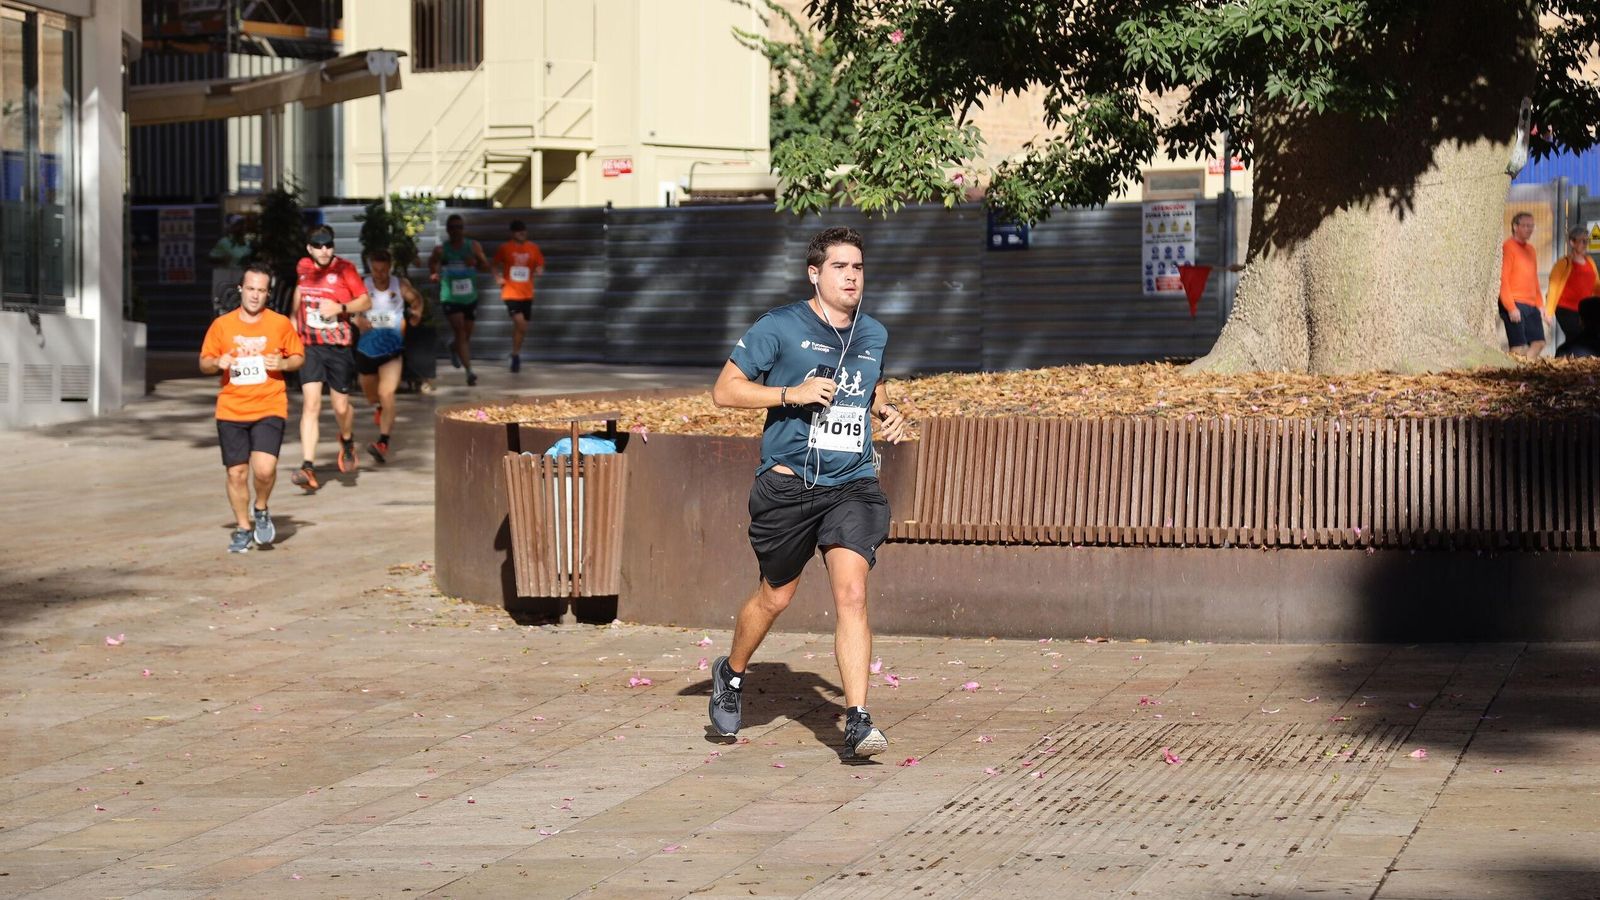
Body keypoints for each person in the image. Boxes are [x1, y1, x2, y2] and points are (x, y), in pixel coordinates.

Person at [707, 226, 910, 759]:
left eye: (858, 267)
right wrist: (788, 394)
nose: (852, 276)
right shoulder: (780, 327)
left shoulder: (873, 334)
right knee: (776, 595)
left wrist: (884, 411)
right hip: (788, 487)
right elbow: (724, 391)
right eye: (840, 267)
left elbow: (870, 386)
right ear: (815, 274)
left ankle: (858, 720)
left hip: (852, 484)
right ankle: (731, 672)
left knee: (852, 593)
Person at [199, 263, 304, 553]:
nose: (255, 295)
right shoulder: (222, 325)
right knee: (236, 473)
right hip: (231, 409)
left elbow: (297, 357)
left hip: (270, 403)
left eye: (261, 290)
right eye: (251, 289)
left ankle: (261, 507)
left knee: (265, 469)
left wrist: (282, 364)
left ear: (267, 293)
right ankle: (243, 527)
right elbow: (204, 362)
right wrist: (216, 363)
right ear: (241, 290)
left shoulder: (280, 323)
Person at [290, 225, 371, 491]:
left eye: (328, 245)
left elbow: (365, 301)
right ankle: (308, 466)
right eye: (319, 246)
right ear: (309, 248)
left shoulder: (345, 269)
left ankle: (347, 440)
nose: (324, 250)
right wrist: (292, 327)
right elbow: (299, 297)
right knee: (310, 405)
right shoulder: (303, 267)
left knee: (340, 407)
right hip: (310, 346)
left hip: (338, 347)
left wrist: (340, 307)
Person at [355, 248, 424, 463]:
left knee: (387, 393)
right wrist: (356, 320)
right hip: (367, 348)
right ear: (370, 267)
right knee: (371, 395)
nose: (380, 275)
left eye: (384, 270)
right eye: (376, 270)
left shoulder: (399, 285)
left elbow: (416, 299)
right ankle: (378, 408)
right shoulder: (362, 286)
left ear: (390, 268)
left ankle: (383, 442)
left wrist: (417, 314)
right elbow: (350, 310)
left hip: (392, 348)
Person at [428, 213, 491, 386]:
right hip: (450, 296)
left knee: (466, 334)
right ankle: (469, 372)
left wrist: (476, 263)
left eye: (460, 227)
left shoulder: (473, 246)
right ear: (448, 230)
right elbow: (432, 262)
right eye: (453, 227)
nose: (457, 231)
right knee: (460, 331)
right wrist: (434, 273)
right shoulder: (442, 250)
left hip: (469, 296)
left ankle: (454, 347)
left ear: (463, 229)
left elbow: (486, 266)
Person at [492, 219, 545, 373]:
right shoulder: (505, 248)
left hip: (527, 293)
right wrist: (497, 277)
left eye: (523, 230)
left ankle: (515, 354)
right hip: (510, 292)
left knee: (522, 328)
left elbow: (540, 264)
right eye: (518, 231)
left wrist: (540, 270)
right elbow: (494, 264)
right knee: (520, 324)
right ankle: (515, 356)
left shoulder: (533, 248)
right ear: (512, 233)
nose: (522, 233)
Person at [1499, 212, 1546, 358]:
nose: (1529, 229)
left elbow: (1534, 279)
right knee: (1518, 347)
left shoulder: (1531, 250)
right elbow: (1503, 278)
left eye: (1531, 226)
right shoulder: (1508, 247)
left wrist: (1540, 304)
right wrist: (1511, 307)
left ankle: (1525, 370)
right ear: (1515, 226)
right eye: (1526, 225)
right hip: (1515, 302)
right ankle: (1514, 375)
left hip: (1531, 304)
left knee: (1539, 342)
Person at [1546, 226, 1596, 345]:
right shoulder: (1563, 263)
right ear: (1572, 242)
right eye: (1582, 241)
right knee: (1577, 337)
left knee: (1583, 340)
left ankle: (1568, 361)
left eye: (1587, 241)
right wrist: (1549, 311)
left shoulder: (1590, 261)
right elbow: (1553, 287)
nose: (1585, 244)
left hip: (1585, 311)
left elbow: (1596, 285)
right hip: (1566, 309)